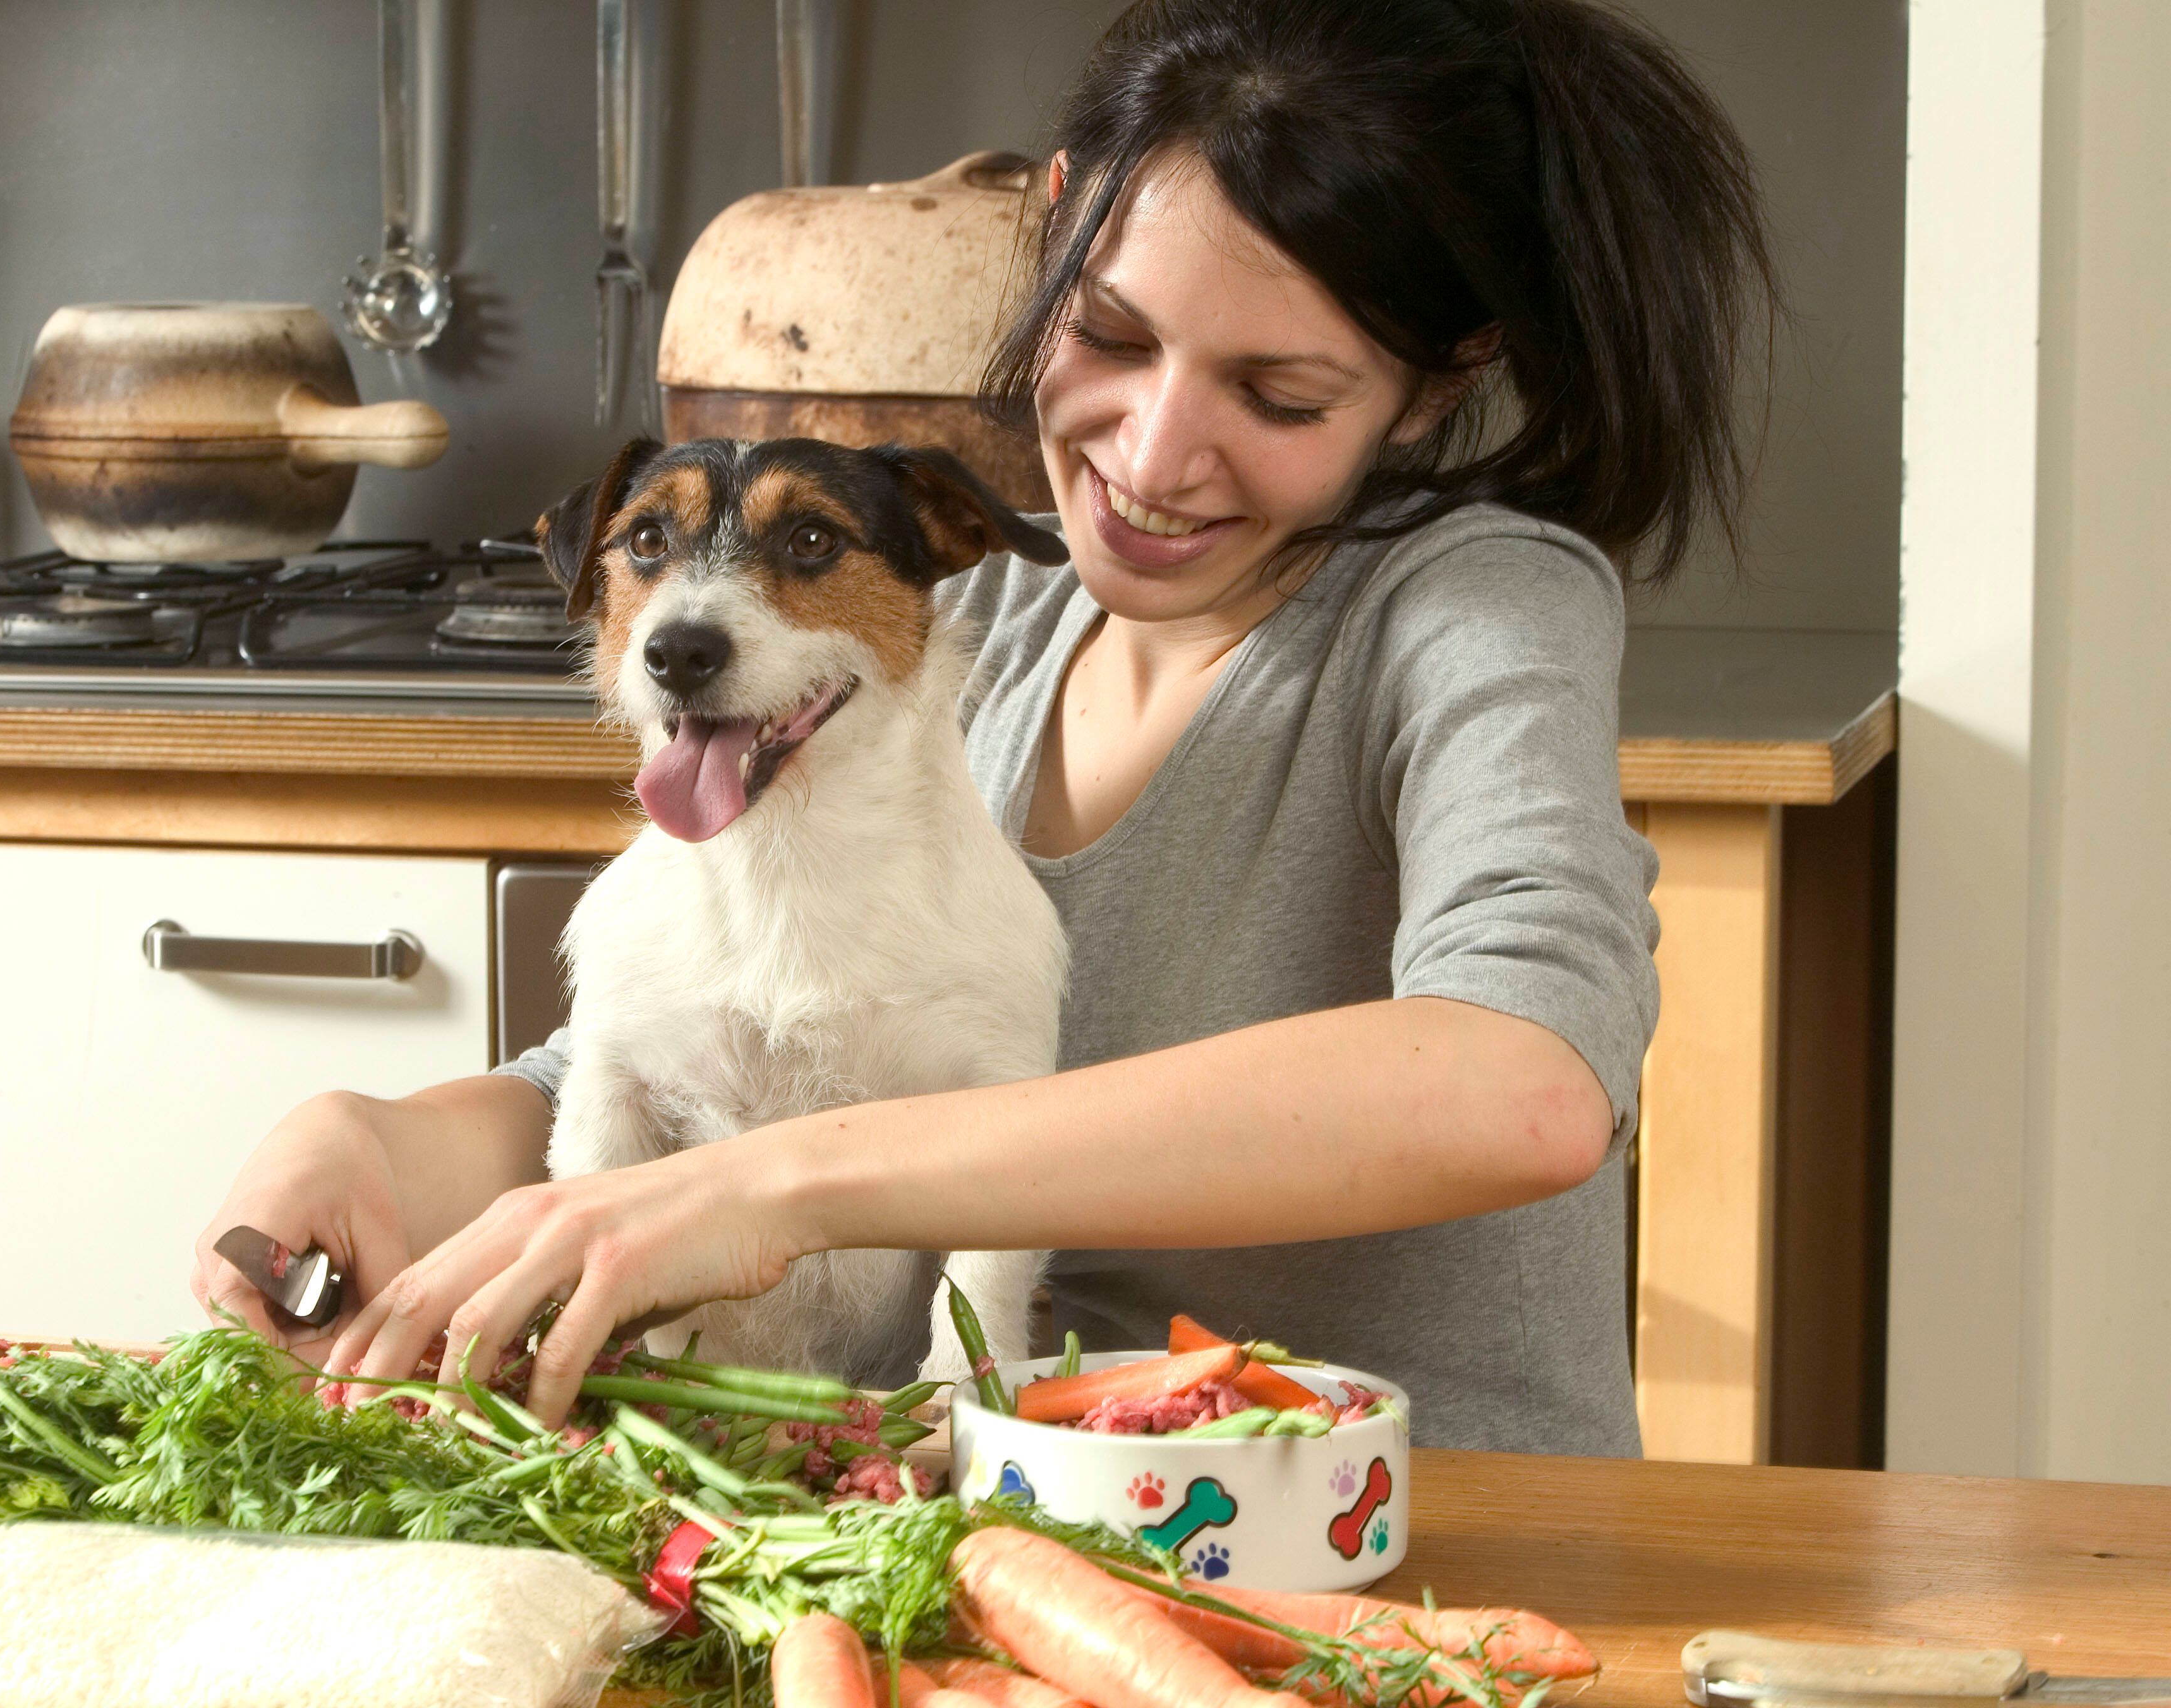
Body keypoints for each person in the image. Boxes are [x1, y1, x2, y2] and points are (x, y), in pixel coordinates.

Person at [193, 0, 1775, 1455]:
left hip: (1416, 1539)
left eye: (1278, 396)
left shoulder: (1473, 607)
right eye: (1113, 334)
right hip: (982, 1513)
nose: (1153, 454)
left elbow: (1523, 1077)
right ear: (1057, 224)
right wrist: (388, 1139)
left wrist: (785, 1186)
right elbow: (691, 1063)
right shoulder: (969, 617)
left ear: (1432, 386)